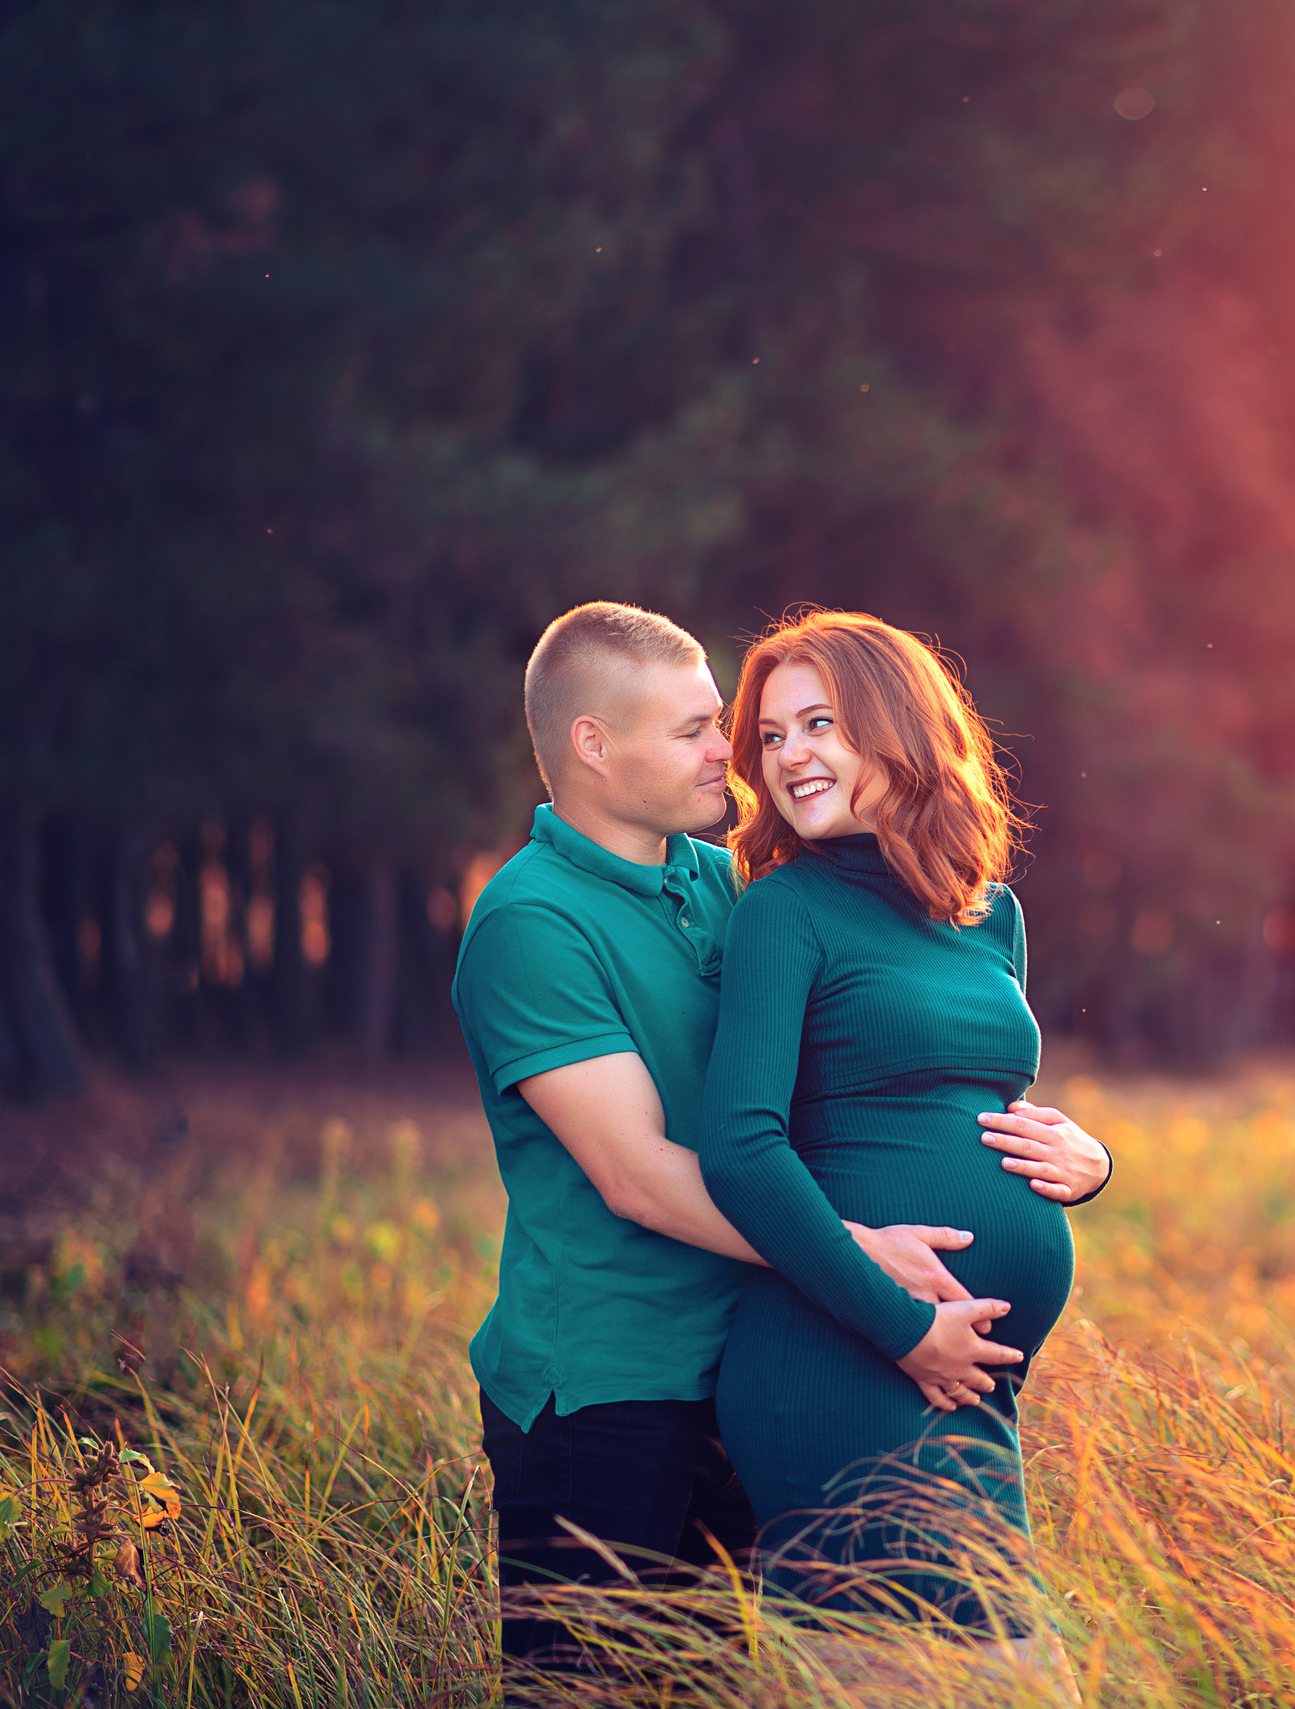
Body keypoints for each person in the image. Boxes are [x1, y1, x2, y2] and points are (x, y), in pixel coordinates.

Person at [450, 601, 1111, 1674]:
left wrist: (1082, 1159)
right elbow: (640, 1177)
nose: (735, 750)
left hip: (747, 1348)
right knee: (599, 1691)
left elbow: (876, 1065)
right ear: (592, 742)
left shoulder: (722, 885)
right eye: (699, 730)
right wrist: (863, 1262)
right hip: (613, 1386)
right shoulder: (532, 921)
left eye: (732, 723)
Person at [698, 610, 1094, 1686]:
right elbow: (738, 1147)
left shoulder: (987, 914)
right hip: (841, 1354)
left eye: (818, 723)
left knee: (1006, 1672)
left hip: (971, 1379)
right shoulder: (784, 911)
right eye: (770, 737)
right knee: (903, 1674)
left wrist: (1092, 1164)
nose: (789, 757)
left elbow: (986, 1105)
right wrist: (905, 1326)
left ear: (898, 727)